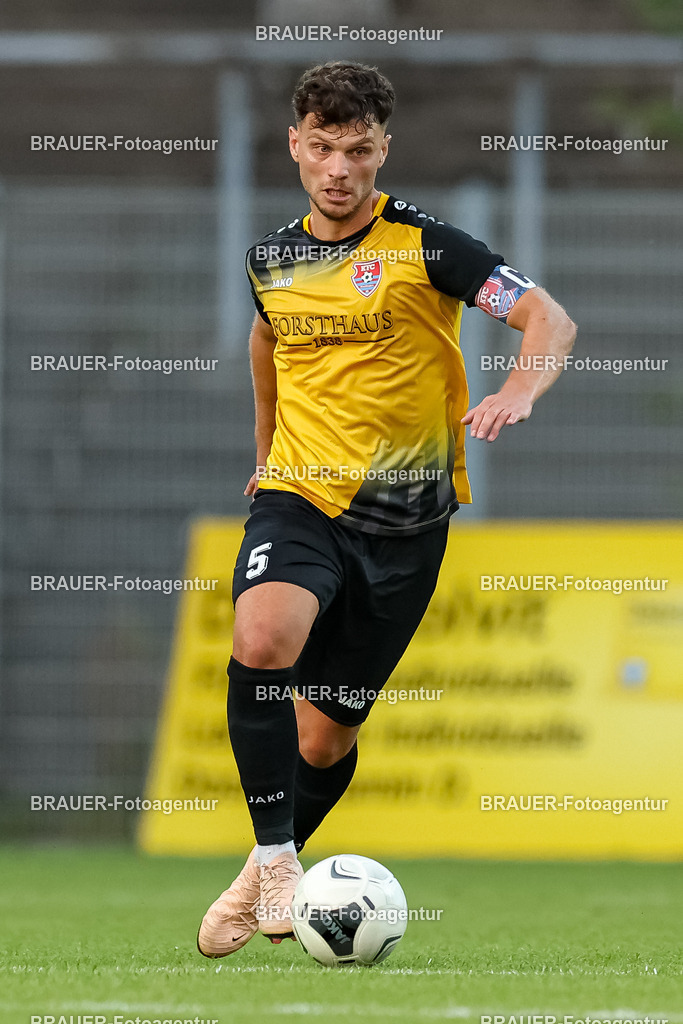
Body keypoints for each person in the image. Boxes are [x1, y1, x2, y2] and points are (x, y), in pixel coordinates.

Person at [198, 60, 576, 957]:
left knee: (325, 741)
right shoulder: (271, 261)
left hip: (406, 527)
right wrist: (264, 460)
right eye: (322, 147)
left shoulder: (428, 247)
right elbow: (266, 343)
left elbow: (548, 321)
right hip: (301, 497)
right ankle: (278, 859)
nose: (338, 168)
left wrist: (520, 389)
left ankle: (257, 878)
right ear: (294, 144)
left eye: (357, 150)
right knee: (260, 641)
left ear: (382, 152)